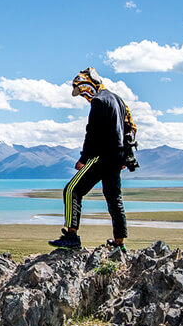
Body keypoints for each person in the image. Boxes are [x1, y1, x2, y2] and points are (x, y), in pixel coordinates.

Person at [49, 67, 129, 251]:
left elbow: (92, 132)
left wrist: (83, 158)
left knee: (71, 190)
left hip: (101, 156)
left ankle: (71, 236)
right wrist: (126, 155)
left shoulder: (99, 101)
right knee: (114, 198)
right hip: (116, 157)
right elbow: (128, 128)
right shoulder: (118, 100)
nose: (83, 94)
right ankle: (119, 243)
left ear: (88, 84)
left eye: (83, 89)